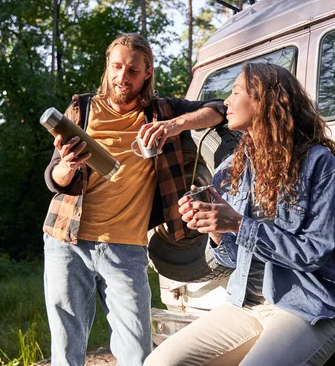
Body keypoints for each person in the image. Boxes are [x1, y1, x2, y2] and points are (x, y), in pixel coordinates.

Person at [144, 62, 335, 366]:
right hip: (243, 305)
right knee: (159, 363)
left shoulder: (317, 164)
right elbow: (231, 258)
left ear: (264, 100)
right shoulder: (231, 168)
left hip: (306, 307)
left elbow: (315, 254)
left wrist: (238, 223)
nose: (226, 102)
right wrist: (216, 231)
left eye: (236, 92)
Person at [42, 33, 226, 366]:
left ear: (147, 73)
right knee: (67, 353)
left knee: (137, 353)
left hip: (126, 247)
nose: (122, 77)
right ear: (107, 67)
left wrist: (174, 126)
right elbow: (54, 179)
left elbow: (219, 110)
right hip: (66, 240)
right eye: (116, 67)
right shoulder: (82, 108)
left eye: (132, 71)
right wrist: (68, 166)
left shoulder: (163, 111)